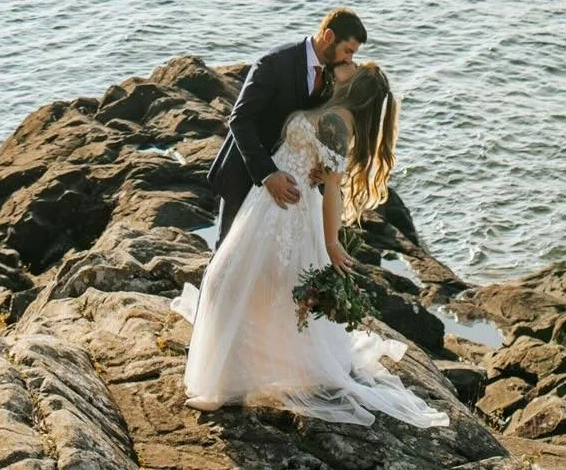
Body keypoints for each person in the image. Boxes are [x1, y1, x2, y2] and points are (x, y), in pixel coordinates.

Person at [171, 63, 449, 428]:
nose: (345, 65)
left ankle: (227, 385)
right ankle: (231, 379)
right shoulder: (328, 108)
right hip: (265, 204)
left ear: (359, 87)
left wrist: (331, 242)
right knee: (234, 280)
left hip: (289, 214)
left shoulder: (336, 123)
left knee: (253, 284)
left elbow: (332, 188)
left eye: (352, 66)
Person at [207, 8, 366, 247]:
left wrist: (320, 167)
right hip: (247, 175)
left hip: (294, 186)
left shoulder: (333, 75)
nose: (349, 59)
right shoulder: (275, 63)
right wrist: (268, 174)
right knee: (229, 255)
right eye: (348, 51)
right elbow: (240, 119)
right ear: (329, 36)